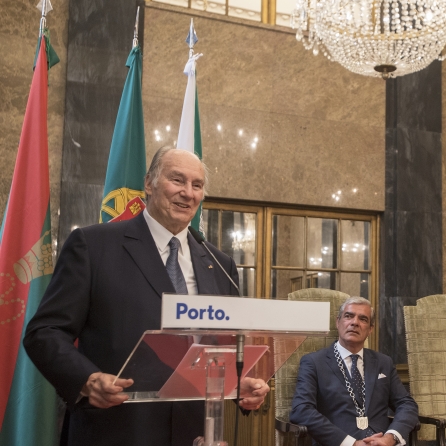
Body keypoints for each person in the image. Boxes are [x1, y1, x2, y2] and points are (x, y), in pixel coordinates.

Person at [24, 147, 270, 446]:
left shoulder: (220, 265)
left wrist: (238, 383)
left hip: (194, 433)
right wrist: (87, 380)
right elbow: (45, 331)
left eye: (197, 185)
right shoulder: (94, 246)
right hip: (116, 428)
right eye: (177, 180)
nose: (188, 193)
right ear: (149, 183)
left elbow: (222, 348)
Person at [290, 297, 418, 446]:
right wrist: (352, 443)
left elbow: (406, 405)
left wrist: (390, 438)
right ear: (338, 322)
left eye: (363, 319)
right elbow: (301, 410)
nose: (355, 322)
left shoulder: (384, 362)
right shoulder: (314, 362)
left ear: (370, 329)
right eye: (348, 316)